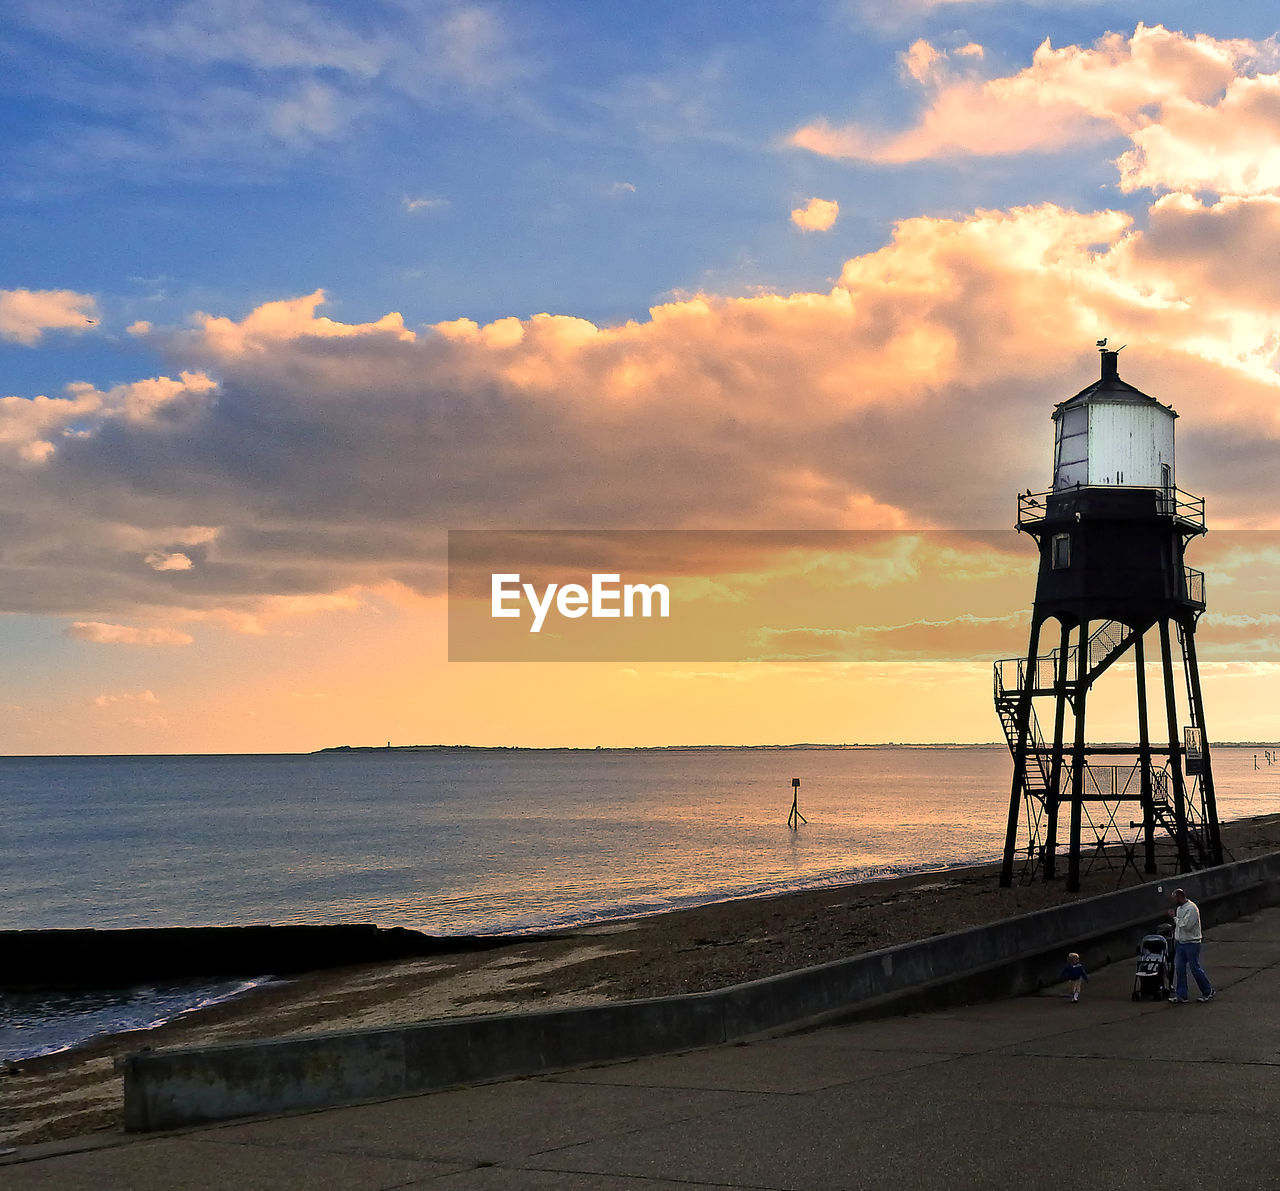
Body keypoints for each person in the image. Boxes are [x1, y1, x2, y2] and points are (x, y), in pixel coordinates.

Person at [1167, 888, 1215, 1004]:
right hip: (1181, 943)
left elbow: (1187, 926)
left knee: (1195, 968)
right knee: (1179, 969)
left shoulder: (1191, 909)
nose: (1174, 902)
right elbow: (1179, 926)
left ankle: (1207, 991)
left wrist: (1174, 918)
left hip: (1192, 943)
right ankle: (1181, 994)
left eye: (1174, 899)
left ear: (1179, 897)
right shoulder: (1179, 908)